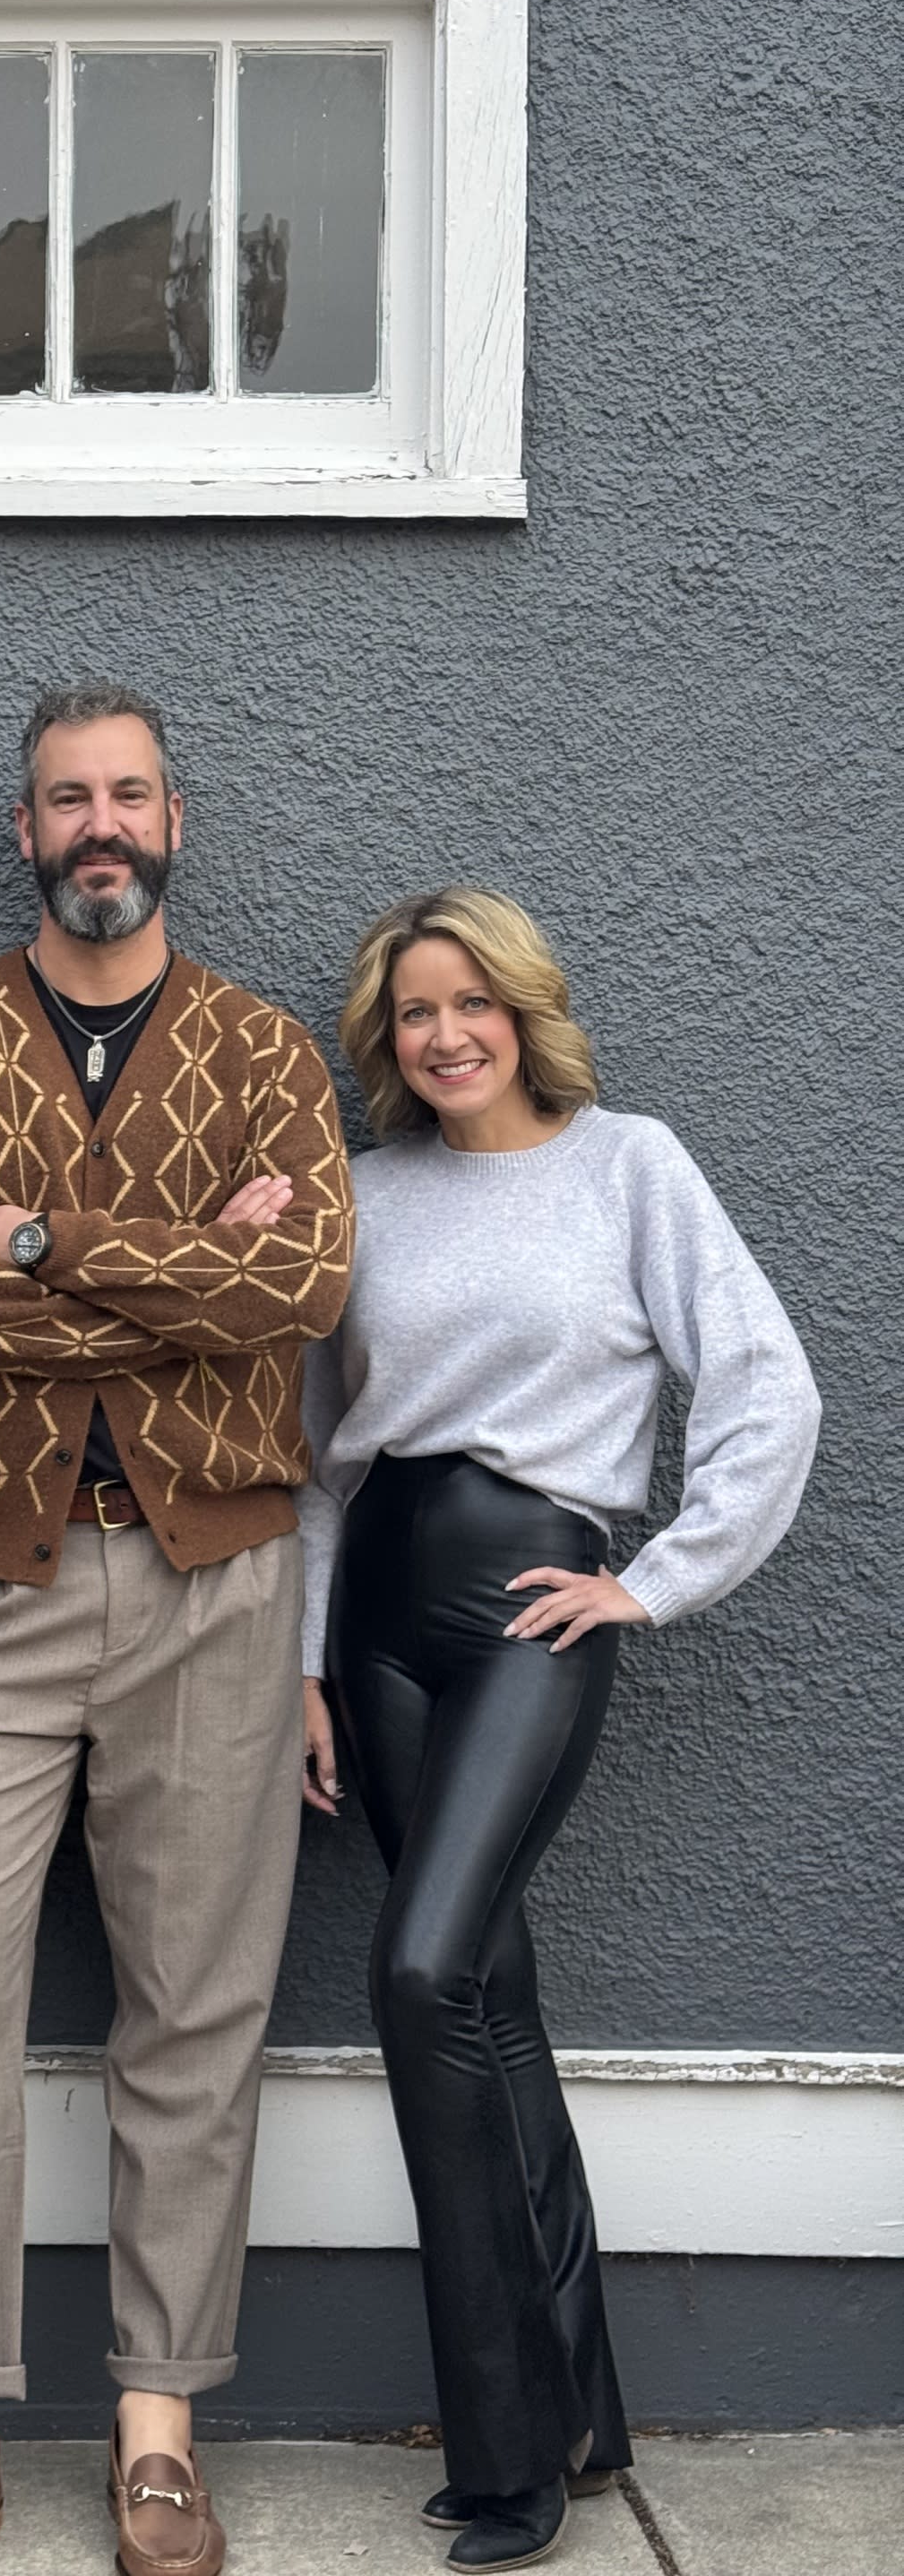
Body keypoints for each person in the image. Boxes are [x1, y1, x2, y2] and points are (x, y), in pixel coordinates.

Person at [0, 685, 354, 2576]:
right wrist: (181, 1264)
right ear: (26, 831)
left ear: (174, 821)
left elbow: (300, 1284)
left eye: (128, 793)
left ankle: (157, 2427)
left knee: (196, 2003)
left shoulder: (261, 1045)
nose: (99, 825)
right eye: (68, 797)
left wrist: (41, 1241)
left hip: (217, 1578)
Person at [297, 886, 820, 2573]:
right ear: (385, 1042)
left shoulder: (628, 1167)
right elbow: (316, 1456)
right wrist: (304, 1661)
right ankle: (580, 2415)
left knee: (419, 1972)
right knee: (490, 2006)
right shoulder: (364, 1194)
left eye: (472, 1003)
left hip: (527, 1606)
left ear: (524, 1012)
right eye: (413, 1013)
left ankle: (504, 2453)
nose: (444, 1035)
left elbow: (765, 1383)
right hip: (376, 1616)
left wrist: (653, 1583)